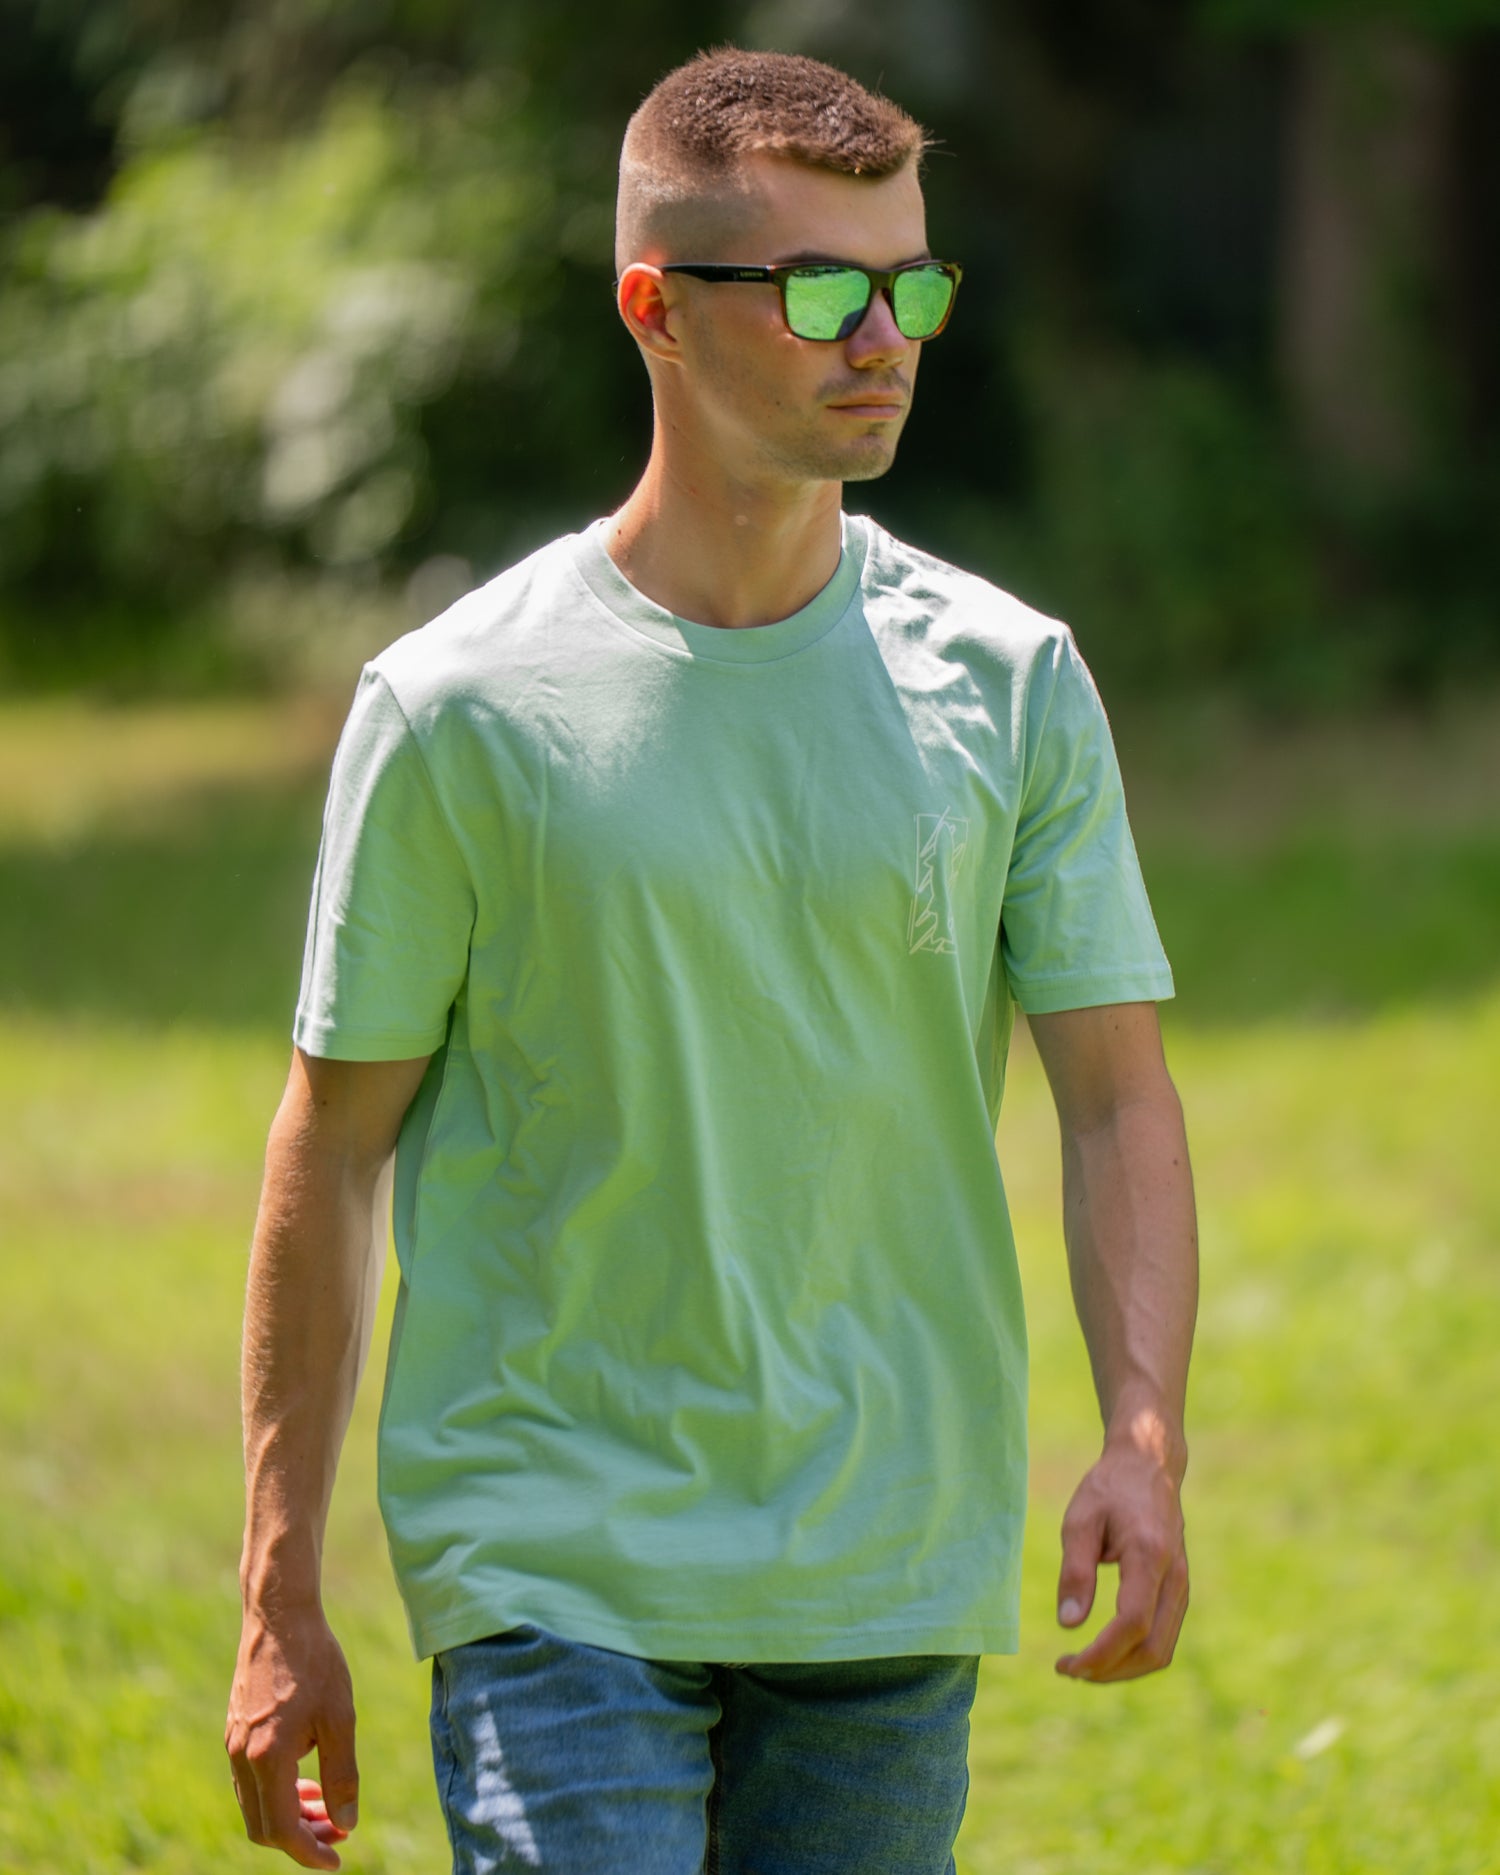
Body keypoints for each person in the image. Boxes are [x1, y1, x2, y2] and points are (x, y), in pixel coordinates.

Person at [226, 45, 1198, 1875]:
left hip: (884, 1555)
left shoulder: (1011, 683)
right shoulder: (456, 708)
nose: (883, 339)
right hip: (554, 1554)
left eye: (912, 286)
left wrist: (1142, 1434)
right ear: (653, 308)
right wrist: (280, 1589)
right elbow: (331, 1145)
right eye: (822, 290)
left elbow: (1114, 1100)